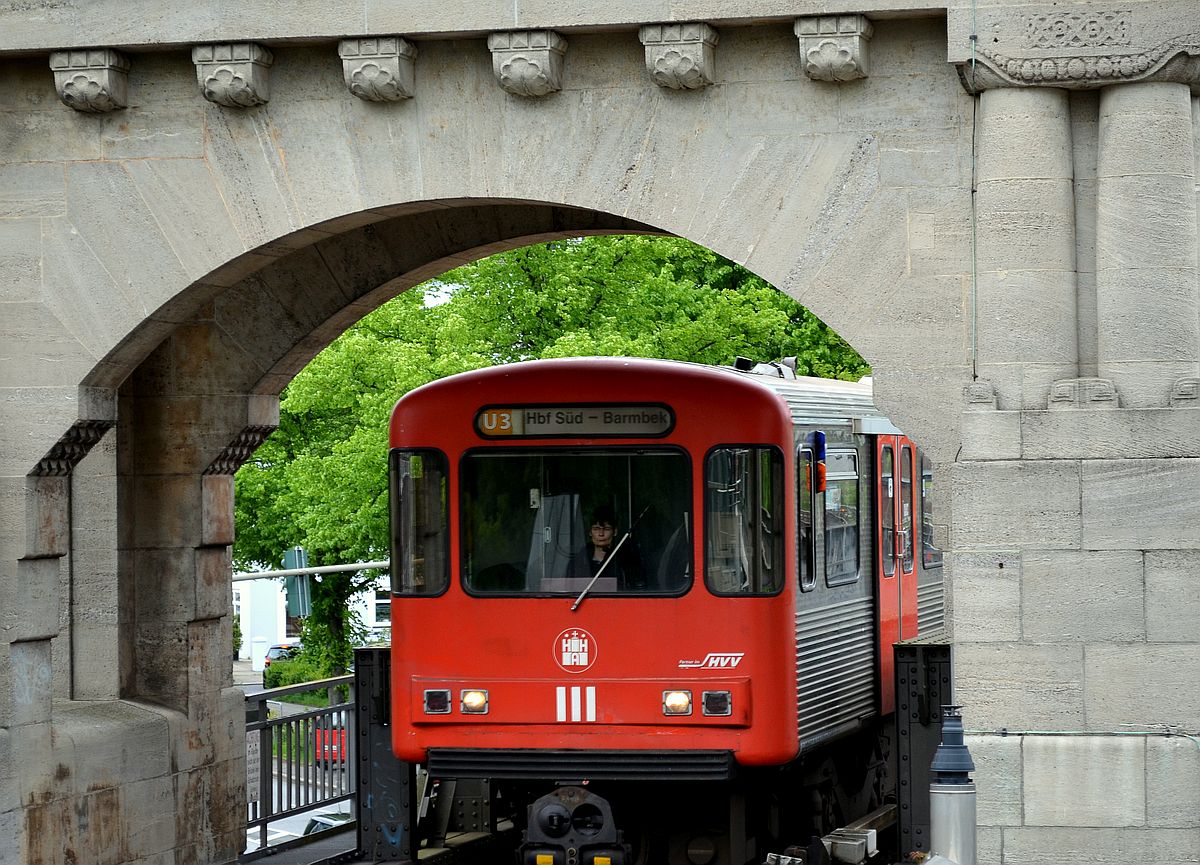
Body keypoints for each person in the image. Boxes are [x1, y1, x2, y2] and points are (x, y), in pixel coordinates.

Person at [585, 505, 645, 590]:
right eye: (596, 529)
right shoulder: (579, 560)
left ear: (615, 531)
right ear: (590, 532)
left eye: (606, 529)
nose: (601, 534)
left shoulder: (626, 561)